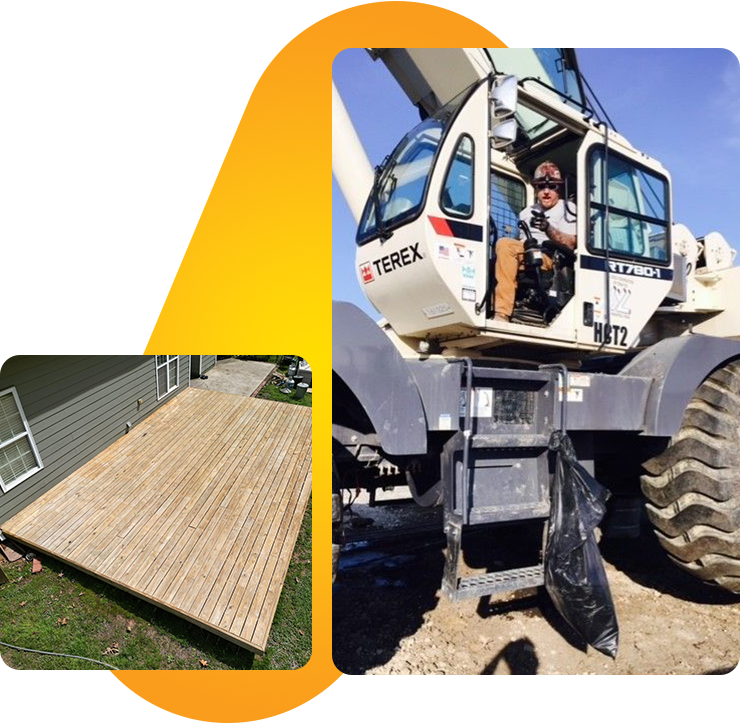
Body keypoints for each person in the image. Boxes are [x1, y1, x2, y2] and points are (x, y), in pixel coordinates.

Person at [493, 161, 577, 323]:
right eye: (541, 187)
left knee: (504, 245)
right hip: (525, 251)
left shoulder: (567, 208)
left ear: (558, 188)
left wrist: (548, 228)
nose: (546, 192)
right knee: (495, 252)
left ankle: (502, 313)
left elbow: (571, 243)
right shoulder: (526, 212)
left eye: (552, 187)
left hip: (549, 256)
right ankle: (491, 307)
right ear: (536, 188)